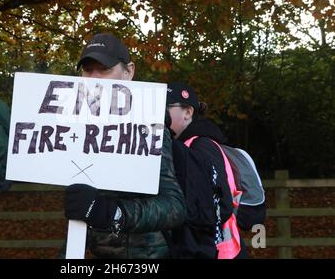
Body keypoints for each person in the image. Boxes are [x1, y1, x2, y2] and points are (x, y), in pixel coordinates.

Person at [63, 33, 186, 258]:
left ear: (129, 72)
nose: (94, 78)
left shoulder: (149, 128)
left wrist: (114, 213)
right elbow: (80, 208)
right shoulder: (78, 128)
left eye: (104, 69)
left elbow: (174, 207)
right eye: (88, 70)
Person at [165, 82, 248, 258]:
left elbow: (213, 207)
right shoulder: (191, 144)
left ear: (188, 112)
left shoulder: (200, 146)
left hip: (217, 251)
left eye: (166, 107)